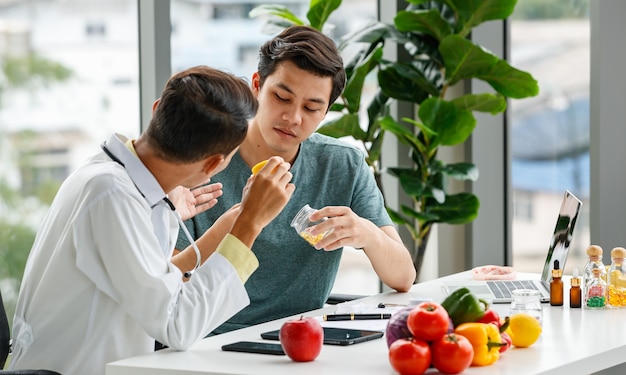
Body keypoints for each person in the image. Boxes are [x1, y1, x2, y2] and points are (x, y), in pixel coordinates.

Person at [8, 66, 295, 374]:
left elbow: (149, 287)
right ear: (214, 163)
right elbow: (176, 325)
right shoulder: (111, 195)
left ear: (157, 108)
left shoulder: (121, 184)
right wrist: (248, 225)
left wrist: (200, 227)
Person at [175, 26, 416, 335]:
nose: (293, 118)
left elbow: (403, 277)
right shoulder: (201, 160)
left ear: (327, 110)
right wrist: (244, 219)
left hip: (304, 340)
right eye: (281, 97)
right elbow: (168, 283)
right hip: (207, 339)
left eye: (312, 107)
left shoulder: (343, 164)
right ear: (257, 86)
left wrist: (366, 233)